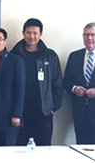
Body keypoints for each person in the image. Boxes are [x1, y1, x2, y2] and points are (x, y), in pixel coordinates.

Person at [11, 18, 63, 146]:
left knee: (43, 148)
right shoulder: (14, 55)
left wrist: (53, 106)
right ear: (23, 33)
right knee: (19, 148)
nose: (32, 36)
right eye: (28, 33)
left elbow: (57, 83)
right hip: (20, 112)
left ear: (41, 34)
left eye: (35, 33)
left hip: (43, 112)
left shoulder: (50, 55)